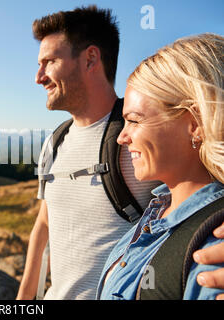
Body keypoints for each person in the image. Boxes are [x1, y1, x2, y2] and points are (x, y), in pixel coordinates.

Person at [16, 6, 224, 300]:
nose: (39, 77)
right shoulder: (55, 142)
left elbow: (206, 183)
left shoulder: (153, 140)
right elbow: (45, 224)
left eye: (49, 61)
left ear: (90, 58)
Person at [97, 33, 223, 300]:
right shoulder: (155, 213)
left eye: (134, 120)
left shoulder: (213, 249)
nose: (122, 137)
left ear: (195, 123)